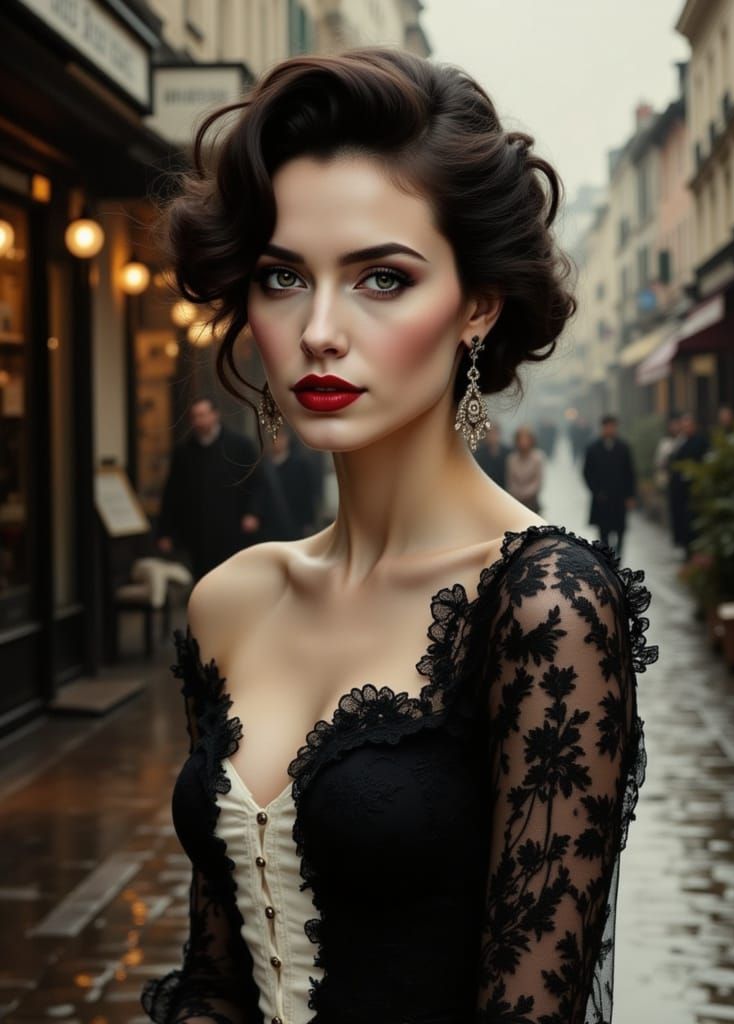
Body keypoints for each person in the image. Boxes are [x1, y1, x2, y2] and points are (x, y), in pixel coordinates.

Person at [141, 49, 656, 1024]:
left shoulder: (544, 606)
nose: (321, 329)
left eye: (381, 277)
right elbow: (215, 973)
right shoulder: (231, 600)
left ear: (476, 304)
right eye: (283, 275)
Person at [157, 396, 290, 579]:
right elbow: (172, 493)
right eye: (195, 416)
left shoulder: (240, 445)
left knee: (233, 577)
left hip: (234, 527)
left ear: (215, 415)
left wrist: (253, 513)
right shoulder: (184, 452)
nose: (199, 421)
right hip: (198, 530)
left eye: (203, 415)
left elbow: (258, 482)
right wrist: (165, 531)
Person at [582, 414, 636, 560]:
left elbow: (630, 472)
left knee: (620, 529)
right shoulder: (593, 448)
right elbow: (587, 472)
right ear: (603, 428)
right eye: (608, 426)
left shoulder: (623, 447)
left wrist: (630, 495)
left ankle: (619, 555)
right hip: (602, 497)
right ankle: (606, 557)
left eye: (613, 427)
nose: (610, 429)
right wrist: (596, 490)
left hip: (620, 496)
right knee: (603, 530)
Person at [267, 427, 323, 539]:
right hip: (270, 524)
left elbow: (308, 493)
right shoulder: (265, 467)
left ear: (286, 440)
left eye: (279, 438)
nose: (276, 442)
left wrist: (308, 521)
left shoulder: (299, 464)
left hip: (295, 522)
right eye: (273, 438)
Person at [669, 411, 709, 559]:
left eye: (689, 425)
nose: (687, 428)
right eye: (684, 425)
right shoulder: (681, 441)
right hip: (680, 490)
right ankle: (686, 548)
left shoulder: (701, 442)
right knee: (682, 521)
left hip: (694, 489)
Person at [505, 425, 545, 512]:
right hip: (516, 501)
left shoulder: (538, 458)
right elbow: (510, 481)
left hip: (531, 502)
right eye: (521, 439)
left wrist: (525, 494)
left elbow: (538, 482)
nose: (523, 442)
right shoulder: (512, 459)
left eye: (526, 439)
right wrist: (517, 494)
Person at [473, 421, 509, 487]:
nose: (492, 436)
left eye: (495, 433)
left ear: (499, 434)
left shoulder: (507, 453)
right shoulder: (479, 454)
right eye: (490, 433)